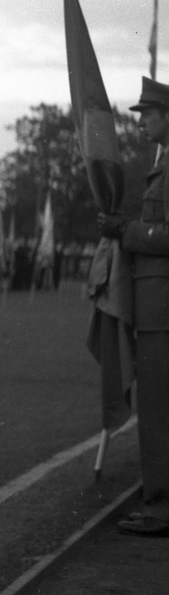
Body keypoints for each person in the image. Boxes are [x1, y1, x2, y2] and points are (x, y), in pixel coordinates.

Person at [99, 75, 169, 537]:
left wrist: (125, 230)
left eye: (147, 114)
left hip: (163, 310)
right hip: (157, 306)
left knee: (159, 410)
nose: (141, 123)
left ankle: (161, 508)